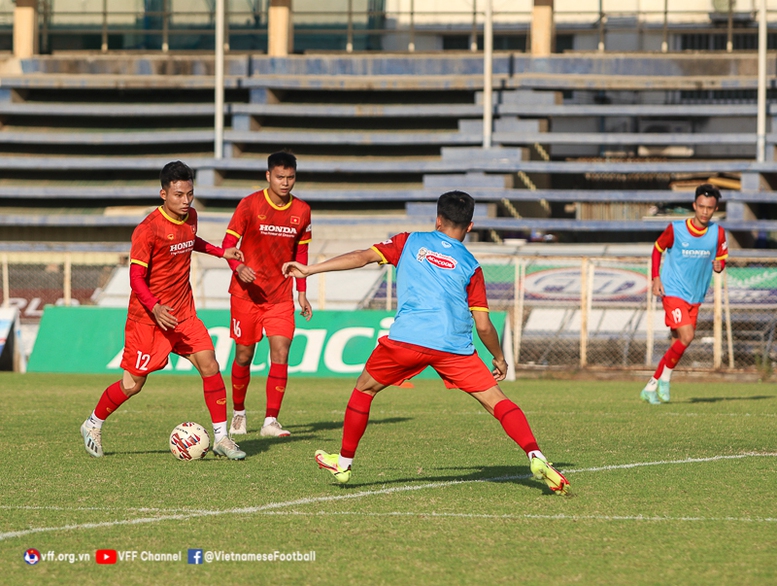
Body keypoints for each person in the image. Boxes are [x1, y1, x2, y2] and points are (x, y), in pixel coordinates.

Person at [283, 190, 570, 495]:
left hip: (408, 339)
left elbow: (363, 257)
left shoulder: (409, 241)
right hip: (454, 346)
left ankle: (343, 463)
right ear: (469, 226)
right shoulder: (471, 265)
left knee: (364, 389)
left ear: (437, 219)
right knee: (497, 401)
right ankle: (535, 455)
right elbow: (483, 325)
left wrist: (311, 269)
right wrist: (498, 357)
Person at [80, 161, 247, 460]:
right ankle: (93, 423)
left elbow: (189, 240)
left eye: (190, 194)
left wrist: (221, 252)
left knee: (210, 365)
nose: (185, 201)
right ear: (163, 193)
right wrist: (155, 307)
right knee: (132, 384)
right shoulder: (147, 230)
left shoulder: (191, 216)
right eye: (179, 195)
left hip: (183, 313)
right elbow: (135, 278)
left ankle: (221, 437)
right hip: (148, 319)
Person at [221, 151, 312, 438]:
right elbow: (227, 243)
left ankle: (271, 421)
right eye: (280, 177)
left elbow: (302, 252)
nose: (285, 183)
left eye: (291, 177)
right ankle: (238, 413)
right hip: (246, 295)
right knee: (245, 356)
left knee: (281, 353)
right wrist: (238, 267)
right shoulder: (249, 205)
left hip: (280, 297)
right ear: (268, 176)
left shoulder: (302, 211)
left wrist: (302, 293)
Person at [641, 183, 728, 404]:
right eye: (701, 207)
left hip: (695, 295)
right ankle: (666, 380)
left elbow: (721, 258)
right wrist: (655, 277)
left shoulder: (717, 233)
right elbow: (657, 248)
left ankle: (651, 386)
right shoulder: (676, 229)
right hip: (673, 290)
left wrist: (720, 265)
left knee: (676, 343)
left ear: (715, 208)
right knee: (687, 336)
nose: (705, 212)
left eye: (710, 208)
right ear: (694, 206)